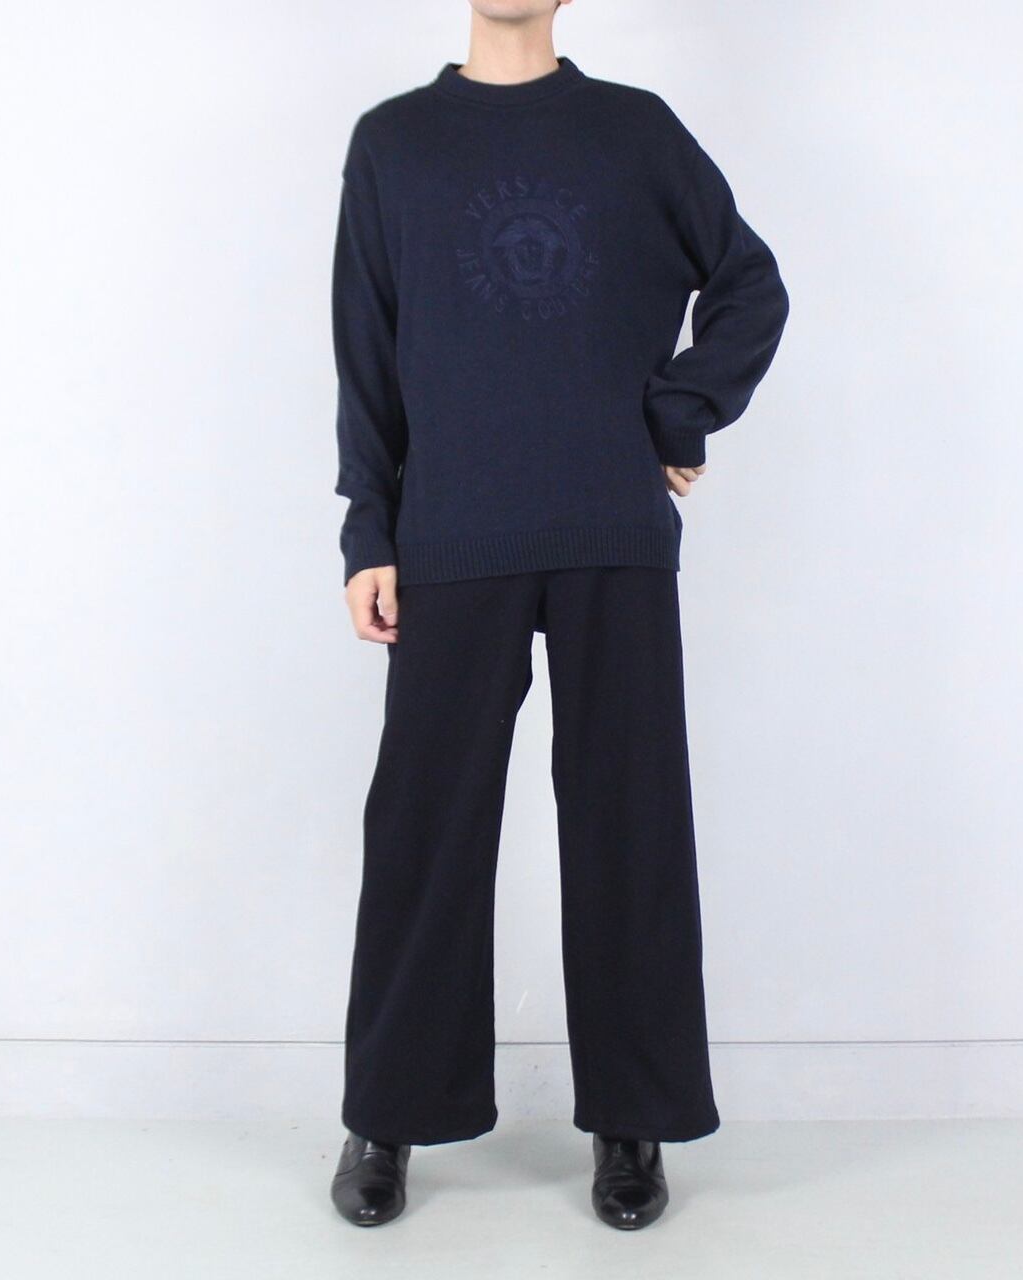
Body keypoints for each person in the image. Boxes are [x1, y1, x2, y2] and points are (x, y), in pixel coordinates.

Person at [327, 0, 788, 1230]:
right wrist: (370, 529)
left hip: (608, 531)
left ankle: (632, 1118)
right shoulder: (394, 143)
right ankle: (385, 1111)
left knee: (628, 828)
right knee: (423, 831)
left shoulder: (634, 132)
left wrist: (676, 411)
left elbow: (747, 283)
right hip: (450, 533)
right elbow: (365, 346)